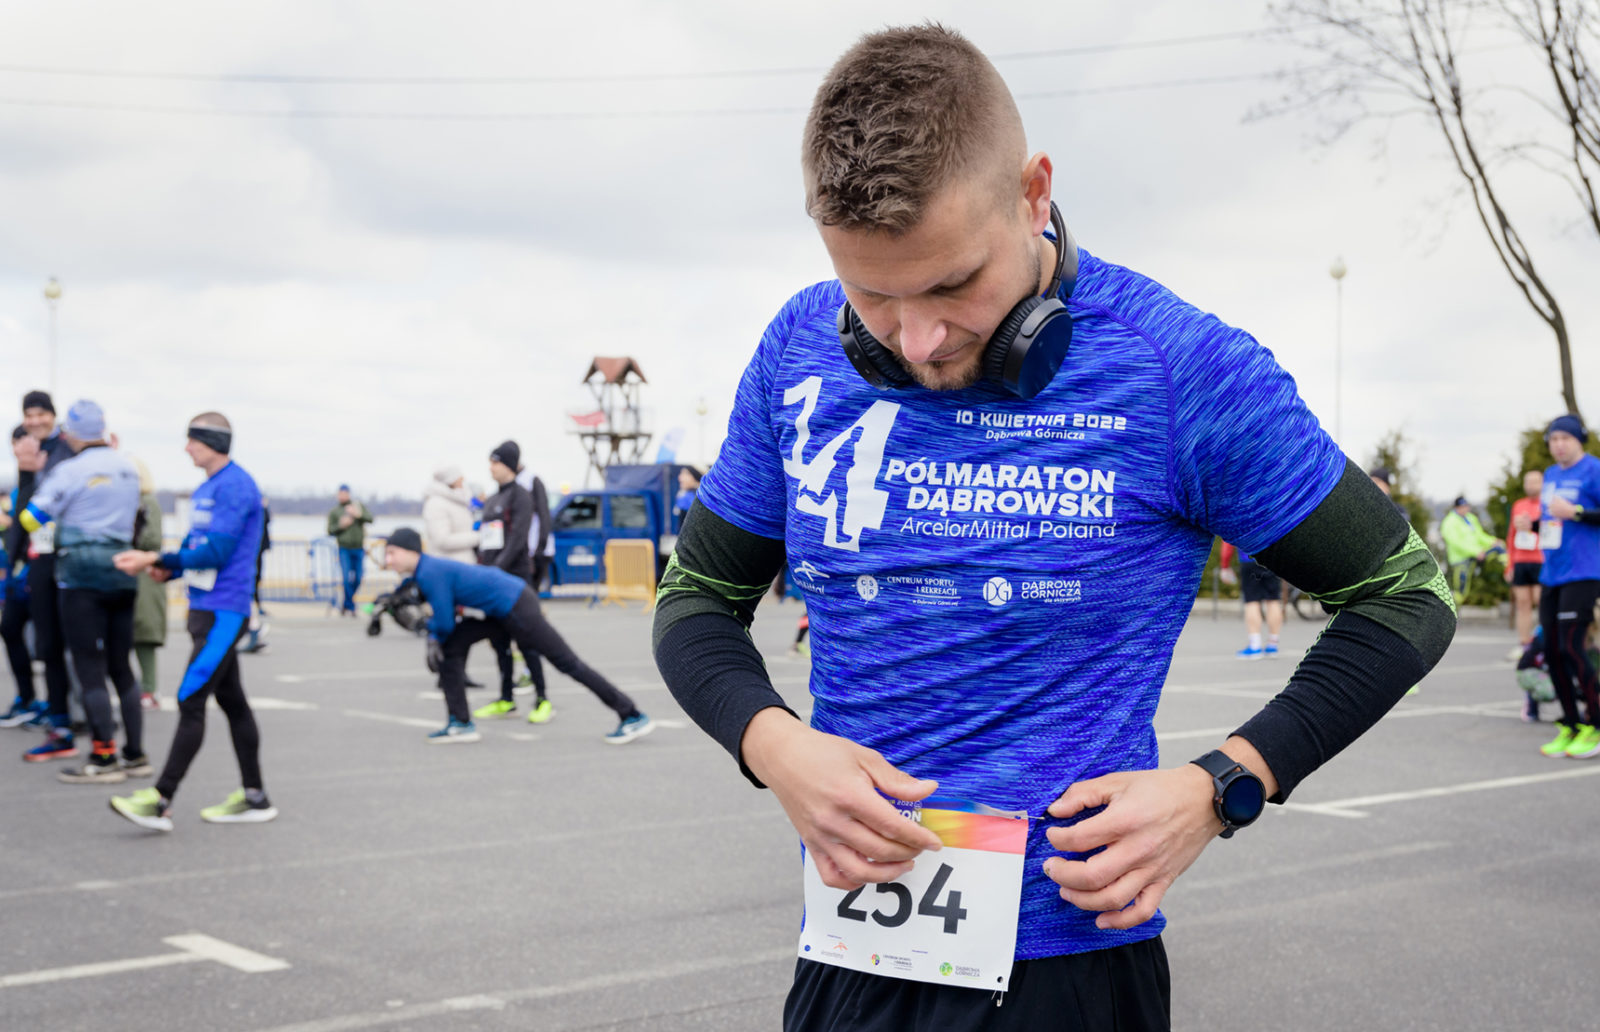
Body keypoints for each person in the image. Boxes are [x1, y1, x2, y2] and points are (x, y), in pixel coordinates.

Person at [651, 26, 1455, 1031]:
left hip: (1069, 975)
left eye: (952, 284)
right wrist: (773, 745)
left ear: (1034, 194)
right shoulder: (797, 352)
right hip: (851, 960)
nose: (917, 341)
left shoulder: (1177, 368)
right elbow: (694, 600)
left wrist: (1224, 785)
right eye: (874, 295)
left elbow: (1407, 596)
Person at [108, 412, 275, 830]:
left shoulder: (236, 485)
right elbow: (196, 545)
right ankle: (255, 797)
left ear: (212, 442)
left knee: (190, 697)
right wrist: (167, 569)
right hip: (204, 609)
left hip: (225, 611)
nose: (186, 449)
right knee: (233, 702)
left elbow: (217, 551)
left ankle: (161, 799)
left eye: (192, 441)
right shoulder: (206, 489)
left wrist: (154, 556)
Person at [382, 527, 651, 744]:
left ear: (411, 551)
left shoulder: (430, 572)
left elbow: (443, 623)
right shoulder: (426, 569)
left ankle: (631, 714)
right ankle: (460, 723)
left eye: (392, 553)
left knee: (567, 662)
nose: (388, 560)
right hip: (502, 609)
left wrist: (429, 634)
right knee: (451, 648)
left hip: (516, 606)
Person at [17, 400, 148, 781]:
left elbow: (30, 518)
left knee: (89, 668)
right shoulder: (127, 466)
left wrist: (35, 481)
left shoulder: (70, 470)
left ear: (71, 433)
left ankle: (103, 757)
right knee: (122, 667)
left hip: (80, 573)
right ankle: (136, 754)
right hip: (123, 567)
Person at [10, 391, 74, 757]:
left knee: (65, 645)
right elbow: (25, 516)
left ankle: (69, 719)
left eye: (40, 414)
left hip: (62, 559)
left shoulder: (66, 450)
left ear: (53, 415)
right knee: (45, 643)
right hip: (36, 561)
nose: (34, 420)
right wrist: (26, 470)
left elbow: (41, 512)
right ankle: (55, 716)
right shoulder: (32, 454)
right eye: (28, 415)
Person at [1533, 415, 1600, 759]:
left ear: (1579, 440)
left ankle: (1595, 724)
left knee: (1572, 648)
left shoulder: (1593, 470)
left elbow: (1577, 514)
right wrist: (1532, 524)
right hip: (1552, 573)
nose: (1558, 444)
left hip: (1584, 571)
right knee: (1553, 652)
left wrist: (1576, 512)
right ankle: (1572, 724)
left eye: (1565, 438)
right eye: (1553, 439)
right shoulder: (1550, 474)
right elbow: (1553, 519)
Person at [473, 441, 547, 722]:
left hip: (515, 578)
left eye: (495, 462)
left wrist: (496, 571)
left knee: (527, 639)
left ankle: (542, 699)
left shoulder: (521, 496)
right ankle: (506, 698)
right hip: (492, 580)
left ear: (509, 465)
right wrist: (482, 571)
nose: (491, 467)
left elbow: (518, 540)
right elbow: (486, 542)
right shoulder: (492, 499)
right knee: (499, 640)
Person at [0, 427, 47, 729]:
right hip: (19, 576)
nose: (20, 449)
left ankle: (59, 708)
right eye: (16, 444)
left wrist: (8, 524)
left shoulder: (47, 481)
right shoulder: (19, 486)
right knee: (10, 629)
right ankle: (27, 699)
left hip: (41, 572)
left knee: (50, 644)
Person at [132, 457, 168, 708]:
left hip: (144, 576)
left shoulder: (148, 502)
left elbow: (153, 539)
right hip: (130, 574)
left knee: (144, 634)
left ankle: (149, 688)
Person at [1505, 469, 1545, 652]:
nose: (1531, 486)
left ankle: (1544, 643)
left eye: (1535, 482)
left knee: (1541, 601)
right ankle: (1524, 644)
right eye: (1528, 482)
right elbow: (1511, 535)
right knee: (1522, 603)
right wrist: (1510, 564)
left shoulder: (1547, 504)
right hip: (1521, 560)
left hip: (1540, 559)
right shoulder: (1519, 505)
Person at [1440, 495, 1504, 598]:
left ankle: (1508, 573)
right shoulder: (1449, 522)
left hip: (1476, 556)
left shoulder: (1471, 518)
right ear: (1456, 508)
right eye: (1462, 507)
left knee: (1499, 549)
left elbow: (1479, 536)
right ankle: (1453, 607)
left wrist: (1492, 541)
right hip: (1461, 560)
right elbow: (1456, 543)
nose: (1465, 509)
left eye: (1466, 506)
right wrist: (1475, 551)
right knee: (1461, 591)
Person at [1232, 545, 1283, 660]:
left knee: (1252, 601)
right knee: (1273, 601)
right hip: (1271, 559)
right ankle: (1273, 644)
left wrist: (1224, 565)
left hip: (1249, 559)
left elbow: (1227, 543)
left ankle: (1255, 645)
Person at [328, 484, 372, 617]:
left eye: (345, 493)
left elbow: (370, 519)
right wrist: (341, 525)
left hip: (358, 548)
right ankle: (351, 606)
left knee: (358, 578)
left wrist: (357, 514)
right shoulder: (335, 511)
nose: (343, 496)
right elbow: (330, 530)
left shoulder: (357, 506)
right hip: (344, 549)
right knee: (346, 578)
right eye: (340, 494)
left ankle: (347, 603)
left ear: (349, 494)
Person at [422, 465, 480, 563]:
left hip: (464, 564)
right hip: (448, 566)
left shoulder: (458, 501)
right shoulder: (436, 504)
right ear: (451, 480)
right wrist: (479, 537)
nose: (463, 479)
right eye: (459, 477)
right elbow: (442, 540)